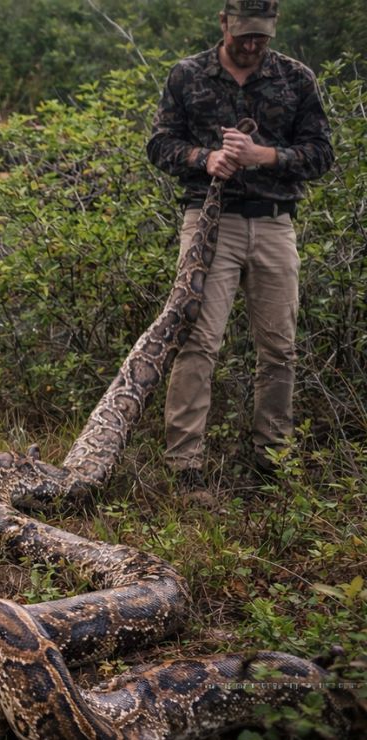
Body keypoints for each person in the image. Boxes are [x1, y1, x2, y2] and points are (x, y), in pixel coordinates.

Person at [147, 0, 332, 499]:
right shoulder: (186, 75)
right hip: (209, 225)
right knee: (198, 341)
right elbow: (159, 144)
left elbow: (321, 153)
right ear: (224, 23)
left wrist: (263, 156)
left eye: (261, 37)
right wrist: (203, 158)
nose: (252, 45)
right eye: (244, 35)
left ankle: (271, 462)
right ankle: (186, 468)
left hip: (275, 226)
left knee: (279, 349)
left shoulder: (296, 78)